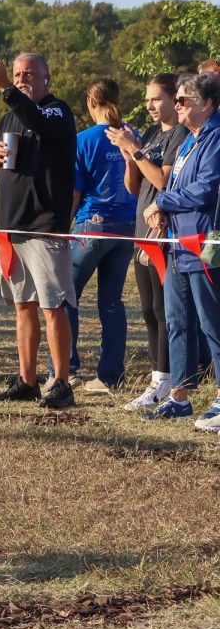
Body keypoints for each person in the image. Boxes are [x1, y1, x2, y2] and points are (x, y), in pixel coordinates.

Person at [0, 52, 78, 409]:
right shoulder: (10, 115)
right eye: (17, 74)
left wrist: (5, 87)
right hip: (11, 227)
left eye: (29, 74)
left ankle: (62, 382)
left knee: (54, 306)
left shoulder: (57, 111)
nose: (22, 78)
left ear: (47, 78)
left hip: (44, 225)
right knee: (23, 305)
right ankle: (26, 380)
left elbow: (40, 122)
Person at [135, 72, 220, 425]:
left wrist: (163, 202)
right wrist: (164, 210)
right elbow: (174, 183)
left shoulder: (215, 138)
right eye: (179, 98)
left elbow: (204, 190)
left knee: (212, 322)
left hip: (206, 244)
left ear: (209, 103)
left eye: (186, 99)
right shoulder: (189, 141)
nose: (179, 104)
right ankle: (180, 397)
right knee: (177, 321)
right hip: (177, 245)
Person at [106, 73, 189, 411]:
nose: (150, 105)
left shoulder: (181, 134)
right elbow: (135, 187)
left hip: (165, 236)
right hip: (142, 231)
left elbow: (164, 182)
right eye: (146, 100)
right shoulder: (154, 133)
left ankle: (168, 381)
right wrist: (129, 158)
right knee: (148, 310)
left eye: (156, 98)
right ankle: (157, 379)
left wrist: (135, 150)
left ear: (173, 98)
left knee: (162, 309)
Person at [59, 78, 138, 393]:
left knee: (66, 297)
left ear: (91, 103)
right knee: (112, 303)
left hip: (91, 225)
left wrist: (63, 229)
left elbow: (75, 191)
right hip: (126, 228)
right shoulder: (133, 136)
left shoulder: (83, 140)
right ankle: (111, 375)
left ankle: (67, 368)